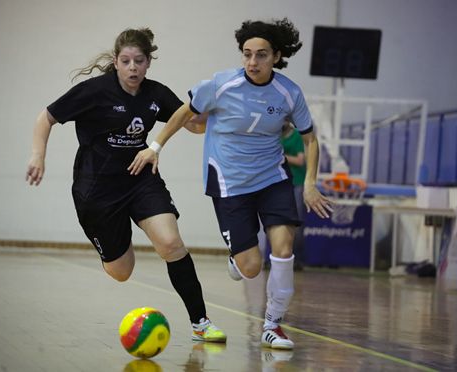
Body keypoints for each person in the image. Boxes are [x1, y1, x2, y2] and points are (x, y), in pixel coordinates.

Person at [129, 18, 333, 350]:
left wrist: (309, 184)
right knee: (250, 268)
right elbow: (183, 113)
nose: (253, 62)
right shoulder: (221, 85)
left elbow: (310, 140)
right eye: (247, 54)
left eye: (262, 55)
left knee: (283, 250)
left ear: (276, 56)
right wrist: (155, 146)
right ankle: (236, 256)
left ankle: (273, 326)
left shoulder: (289, 93)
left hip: (272, 179)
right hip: (229, 182)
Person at [25, 27, 226, 343]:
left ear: (148, 63)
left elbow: (194, 125)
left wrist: (214, 107)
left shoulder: (156, 94)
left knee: (172, 243)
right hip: (97, 190)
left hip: (139, 176)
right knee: (122, 272)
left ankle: (200, 322)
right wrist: (39, 156)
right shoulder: (94, 91)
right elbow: (45, 118)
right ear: (116, 63)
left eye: (139, 61)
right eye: (126, 61)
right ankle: (118, 238)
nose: (133, 67)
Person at [281, 121, 307, 271]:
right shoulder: (275, 135)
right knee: (279, 223)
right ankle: (278, 257)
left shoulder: (296, 136)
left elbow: (300, 160)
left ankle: (298, 259)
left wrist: (282, 156)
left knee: (296, 223)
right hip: (280, 183)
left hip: (296, 182)